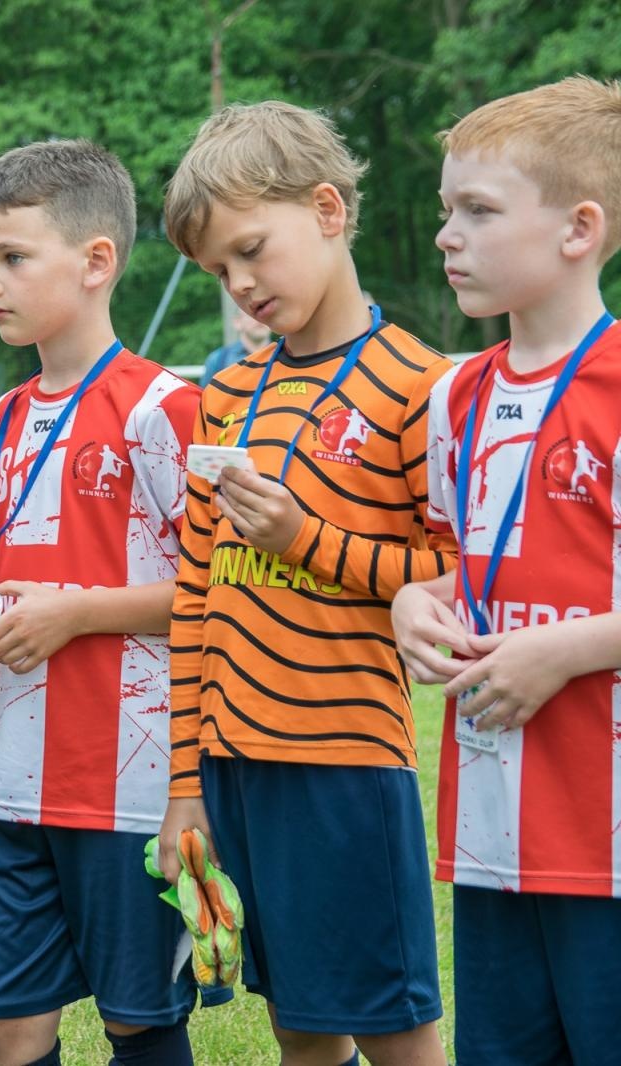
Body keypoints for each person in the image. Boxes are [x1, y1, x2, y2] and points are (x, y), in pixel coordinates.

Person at [155, 101, 454, 1066]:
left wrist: (307, 537)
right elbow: (197, 596)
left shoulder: (418, 386)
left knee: (395, 1030)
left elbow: (452, 583)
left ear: (327, 209)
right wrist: (186, 787)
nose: (241, 286)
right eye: (218, 272)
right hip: (234, 770)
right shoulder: (227, 394)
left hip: (344, 768)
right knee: (300, 1026)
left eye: (252, 251)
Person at [0, 139, 203, 1066]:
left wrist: (75, 611)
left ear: (97, 262)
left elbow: (210, 595)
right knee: (7, 1022)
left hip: (127, 782)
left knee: (136, 1018)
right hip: (7, 782)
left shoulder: (162, 407)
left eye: (13, 257)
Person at [393, 75, 621, 1066]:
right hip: (490, 835)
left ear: (578, 229)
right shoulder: (456, 397)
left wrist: (564, 652)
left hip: (605, 840)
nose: (447, 235)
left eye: (477, 211)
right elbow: (465, 564)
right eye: (445, 211)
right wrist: (414, 599)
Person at [198, 308, 270, 386]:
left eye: (265, 313)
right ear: (237, 322)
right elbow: (206, 397)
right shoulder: (218, 360)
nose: (260, 319)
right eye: (252, 314)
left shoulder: (284, 355)